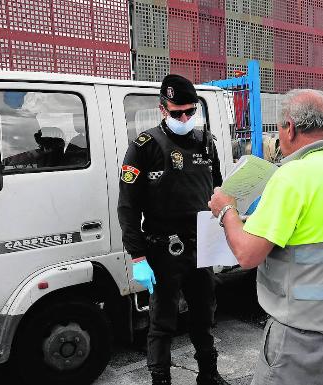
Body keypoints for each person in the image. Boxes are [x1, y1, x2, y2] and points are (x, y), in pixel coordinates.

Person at [209, 89, 323, 385]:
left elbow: (247, 255)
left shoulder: (292, 176)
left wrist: (225, 211)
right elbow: (317, 232)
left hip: (302, 339)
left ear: (291, 128)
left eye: (279, 128)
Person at [118, 74, 228, 385]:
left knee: (204, 316)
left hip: (201, 243)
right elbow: (127, 206)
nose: (184, 118)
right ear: (162, 109)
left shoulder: (206, 142)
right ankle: (161, 379)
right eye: (177, 112)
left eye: (190, 111)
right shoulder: (144, 147)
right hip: (164, 248)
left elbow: (217, 187)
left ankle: (209, 373)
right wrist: (137, 256)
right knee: (162, 322)